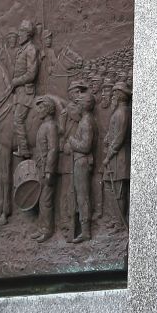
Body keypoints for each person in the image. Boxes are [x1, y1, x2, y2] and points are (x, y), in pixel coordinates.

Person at [66, 91, 96, 242]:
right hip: (79, 161)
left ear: (84, 106)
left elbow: (85, 146)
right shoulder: (85, 120)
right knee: (80, 195)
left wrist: (71, 141)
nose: (76, 107)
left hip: (82, 161)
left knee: (82, 196)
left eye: (78, 104)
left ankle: (85, 231)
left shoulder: (86, 122)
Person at [102, 81, 131, 228]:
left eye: (115, 92)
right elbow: (113, 133)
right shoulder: (118, 111)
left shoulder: (122, 113)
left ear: (120, 95)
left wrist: (108, 156)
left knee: (118, 191)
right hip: (114, 156)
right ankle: (114, 218)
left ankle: (120, 222)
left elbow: (119, 138)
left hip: (118, 158)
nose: (113, 95)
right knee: (110, 188)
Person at [31, 95, 59, 243]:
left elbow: (53, 149)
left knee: (46, 200)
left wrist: (49, 170)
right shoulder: (43, 125)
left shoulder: (51, 126)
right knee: (41, 200)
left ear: (48, 109)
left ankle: (47, 230)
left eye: (41, 108)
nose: (38, 111)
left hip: (47, 169)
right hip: (40, 167)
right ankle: (41, 227)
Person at [11, 20, 39, 158]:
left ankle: (24, 149)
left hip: (26, 92)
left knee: (18, 119)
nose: (19, 34)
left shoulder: (30, 50)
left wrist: (16, 81)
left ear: (28, 34)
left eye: (21, 31)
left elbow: (31, 74)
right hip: (18, 92)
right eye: (19, 31)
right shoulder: (21, 49)